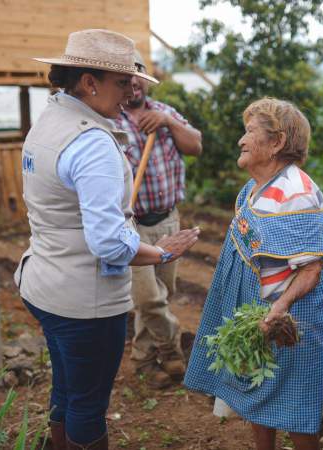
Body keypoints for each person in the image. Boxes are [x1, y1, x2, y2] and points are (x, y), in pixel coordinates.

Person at [14, 29, 199, 450]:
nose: (131, 91)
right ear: (89, 82)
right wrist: (161, 251)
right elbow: (110, 244)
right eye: (122, 83)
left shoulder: (50, 120)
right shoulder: (92, 143)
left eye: (134, 83)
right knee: (88, 404)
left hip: (45, 280)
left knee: (67, 389)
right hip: (85, 301)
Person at [184, 98, 323, 450]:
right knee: (256, 394)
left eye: (250, 132)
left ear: (277, 142)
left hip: (294, 317)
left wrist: (278, 309)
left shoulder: (297, 194)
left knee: (296, 406)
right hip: (258, 309)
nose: (241, 140)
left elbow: (311, 269)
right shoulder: (251, 189)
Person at [116, 51, 203, 389]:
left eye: (139, 74)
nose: (134, 81)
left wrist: (168, 123)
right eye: (127, 75)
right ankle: (172, 349)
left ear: (147, 79)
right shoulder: (111, 119)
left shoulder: (165, 113)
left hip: (168, 220)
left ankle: (142, 360)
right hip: (131, 224)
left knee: (162, 293)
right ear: (120, 82)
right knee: (147, 298)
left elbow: (195, 145)